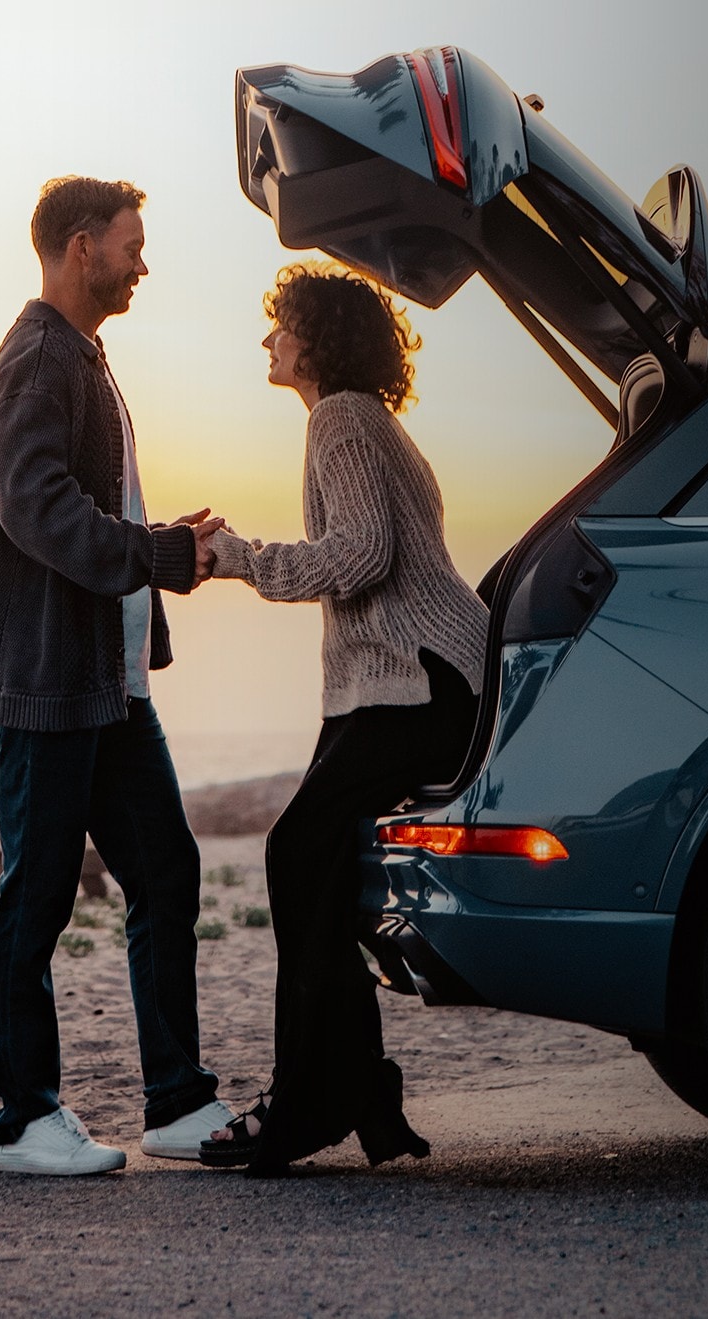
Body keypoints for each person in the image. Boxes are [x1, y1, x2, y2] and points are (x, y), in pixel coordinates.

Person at [0, 175, 234, 1174]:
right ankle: (23, 1120)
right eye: (132, 243)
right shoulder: (39, 358)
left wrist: (164, 553)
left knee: (167, 870)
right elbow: (34, 508)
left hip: (111, 686)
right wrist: (157, 554)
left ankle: (177, 1102)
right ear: (82, 247)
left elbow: (93, 507)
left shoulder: (82, 357)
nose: (141, 261)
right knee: (35, 896)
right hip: (49, 685)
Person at [200, 262, 487, 1175]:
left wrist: (240, 558)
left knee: (296, 852)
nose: (268, 339)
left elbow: (361, 556)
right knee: (319, 862)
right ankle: (347, 1085)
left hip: (419, 677)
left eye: (281, 324)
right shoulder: (364, 420)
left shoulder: (343, 418)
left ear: (318, 338)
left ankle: (318, 1096)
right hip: (403, 678)